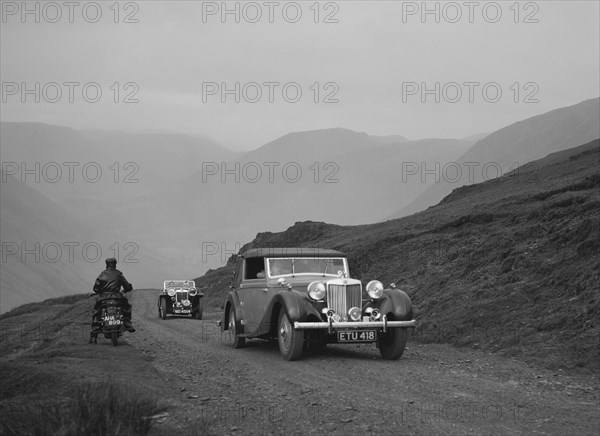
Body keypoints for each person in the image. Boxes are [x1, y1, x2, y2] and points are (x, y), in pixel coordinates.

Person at [90, 258, 135, 343]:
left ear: (106, 264)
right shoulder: (119, 274)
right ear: (115, 264)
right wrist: (127, 288)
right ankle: (127, 322)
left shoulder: (102, 275)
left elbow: (96, 288)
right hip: (117, 297)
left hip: (103, 298)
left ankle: (94, 335)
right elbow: (126, 286)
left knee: (96, 312)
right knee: (126, 306)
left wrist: (99, 291)